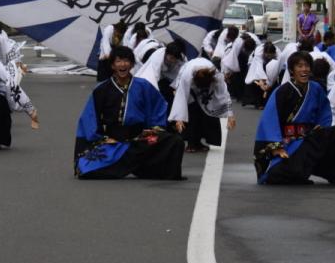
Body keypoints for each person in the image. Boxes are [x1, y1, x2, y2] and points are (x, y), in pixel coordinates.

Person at [253, 53, 335, 187]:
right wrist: (276, 148)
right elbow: (269, 122)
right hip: (290, 142)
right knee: (279, 173)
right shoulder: (282, 92)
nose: (304, 69)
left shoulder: (316, 88)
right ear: (291, 70)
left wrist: (324, 129)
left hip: (312, 135)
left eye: (307, 66)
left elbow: (325, 114)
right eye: (299, 66)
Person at [74, 45, 184, 180]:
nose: (123, 64)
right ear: (113, 65)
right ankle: (134, 165)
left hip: (140, 138)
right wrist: (102, 138)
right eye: (118, 61)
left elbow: (158, 109)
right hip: (113, 140)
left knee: (175, 141)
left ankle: (144, 167)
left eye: (126, 61)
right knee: (86, 170)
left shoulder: (143, 86)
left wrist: (154, 129)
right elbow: (89, 118)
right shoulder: (101, 89)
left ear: (132, 64)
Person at [169, 58, 235, 153]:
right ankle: (191, 143)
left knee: (206, 115)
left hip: (206, 89)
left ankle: (198, 142)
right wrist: (179, 118)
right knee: (192, 113)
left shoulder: (216, 75)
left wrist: (230, 115)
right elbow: (181, 97)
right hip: (189, 89)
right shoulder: (187, 76)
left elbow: (224, 94)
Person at [135, 39, 187, 109]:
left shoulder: (181, 59)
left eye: (175, 58)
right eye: (171, 57)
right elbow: (152, 76)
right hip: (154, 74)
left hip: (166, 77)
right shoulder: (158, 56)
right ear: (166, 53)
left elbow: (181, 75)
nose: (172, 60)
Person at [244, 40, 282, 108]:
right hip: (255, 65)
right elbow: (259, 70)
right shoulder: (258, 53)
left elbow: (276, 71)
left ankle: (268, 102)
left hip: (271, 67)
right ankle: (258, 103)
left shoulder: (279, 55)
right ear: (264, 53)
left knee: (273, 85)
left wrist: (269, 84)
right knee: (256, 83)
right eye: (267, 55)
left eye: (271, 55)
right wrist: (262, 83)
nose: (269, 57)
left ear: (274, 53)